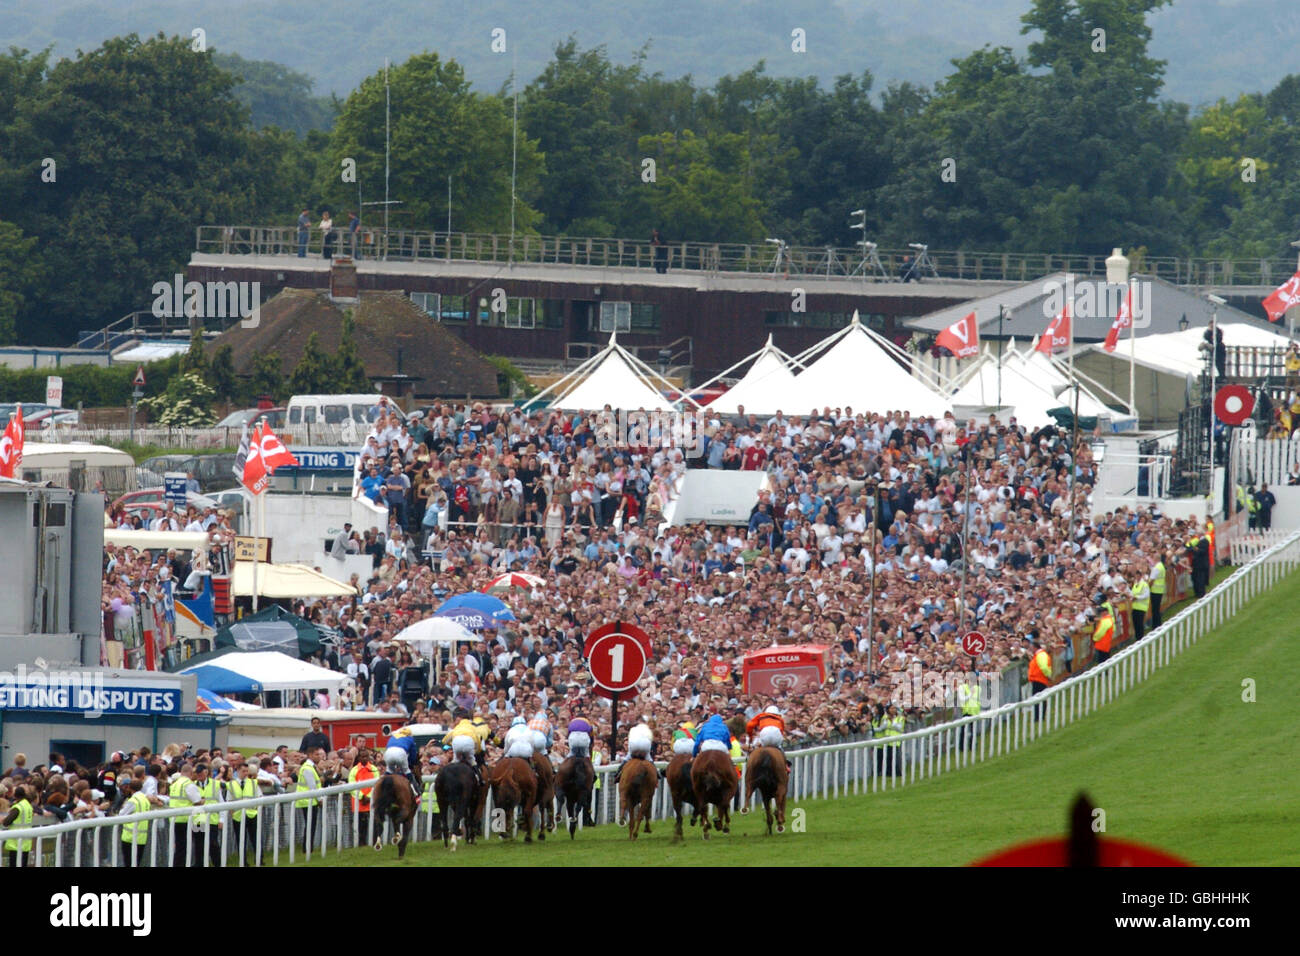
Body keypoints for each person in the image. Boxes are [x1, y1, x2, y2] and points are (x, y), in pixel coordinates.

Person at [116, 779, 153, 867]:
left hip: (130, 837)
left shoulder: (133, 800)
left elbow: (121, 814)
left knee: (129, 863)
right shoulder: (145, 799)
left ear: (129, 788)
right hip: (141, 838)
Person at [2, 783, 36, 868]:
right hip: (26, 841)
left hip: (15, 841)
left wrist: (3, 819)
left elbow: (7, 822)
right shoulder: (28, 805)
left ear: (15, 795)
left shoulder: (18, 807)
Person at [384, 726, 423, 801]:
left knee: (389, 771)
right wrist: (411, 763)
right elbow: (413, 756)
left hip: (388, 753)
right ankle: (416, 792)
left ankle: (380, 785)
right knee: (407, 772)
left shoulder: (393, 737)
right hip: (400, 753)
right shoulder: (410, 738)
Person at [1028, 637, 1053, 721]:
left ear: (1035, 647)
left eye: (1031, 647)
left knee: (1039, 699)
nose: (1030, 649)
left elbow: (1044, 667)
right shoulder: (1040, 655)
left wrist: (1048, 675)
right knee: (1039, 699)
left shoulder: (1041, 655)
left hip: (1039, 680)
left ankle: (1038, 717)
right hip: (1038, 679)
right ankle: (1039, 716)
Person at [1092, 595, 1116, 664]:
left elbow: (1100, 632)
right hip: (1105, 642)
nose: (1100, 614)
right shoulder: (1106, 619)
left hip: (1102, 642)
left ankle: (1105, 672)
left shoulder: (1105, 621)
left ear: (1104, 612)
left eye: (1101, 612)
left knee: (1102, 659)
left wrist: (1095, 638)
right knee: (1106, 657)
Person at [1130, 566, 1151, 642]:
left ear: (1140, 576)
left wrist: (1137, 597)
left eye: (1138, 575)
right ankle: (1137, 638)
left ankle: (1141, 638)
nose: (1137, 577)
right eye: (1136, 575)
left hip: (1141, 607)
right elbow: (1132, 593)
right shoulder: (1135, 584)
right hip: (1135, 607)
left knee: (1139, 624)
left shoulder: (1144, 584)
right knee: (1135, 623)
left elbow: (1146, 595)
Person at [1149, 551, 1167, 629]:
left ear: (1155, 558)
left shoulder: (1156, 568)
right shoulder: (1161, 566)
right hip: (1159, 590)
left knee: (1155, 609)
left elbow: (1152, 580)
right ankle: (1158, 623)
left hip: (1155, 590)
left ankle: (1156, 625)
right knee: (1157, 608)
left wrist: (1148, 587)